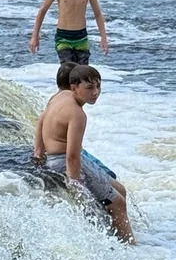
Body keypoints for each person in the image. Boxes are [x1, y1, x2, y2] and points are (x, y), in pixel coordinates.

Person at [34, 64, 134, 243]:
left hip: (54, 158)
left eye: (98, 86)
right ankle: (129, 246)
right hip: (63, 161)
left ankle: (116, 234)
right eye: (89, 88)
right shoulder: (77, 114)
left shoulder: (59, 96)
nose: (95, 92)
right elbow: (72, 155)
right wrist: (75, 184)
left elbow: (41, 119)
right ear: (74, 88)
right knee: (118, 203)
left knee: (120, 190)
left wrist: (38, 153)